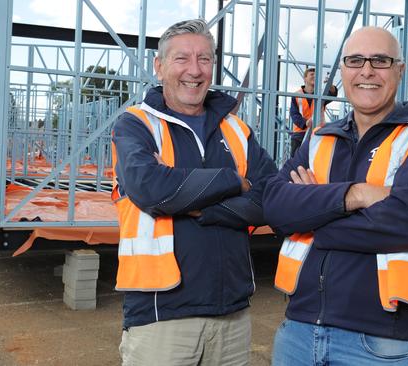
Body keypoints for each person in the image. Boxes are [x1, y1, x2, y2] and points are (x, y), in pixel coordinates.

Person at [263, 26, 408, 365]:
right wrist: (355, 196)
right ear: (342, 71)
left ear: (399, 71)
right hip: (298, 331)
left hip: (380, 341)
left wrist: (312, 220)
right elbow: (274, 206)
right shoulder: (319, 139)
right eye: (355, 60)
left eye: (380, 60)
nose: (366, 71)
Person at [111, 19, 277, 365]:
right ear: (159, 67)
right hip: (161, 315)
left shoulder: (236, 129)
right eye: (182, 59)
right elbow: (152, 189)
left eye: (204, 59)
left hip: (231, 314)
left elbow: (270, 197)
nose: (195, 70)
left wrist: (204, 208)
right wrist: (235, 182)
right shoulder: (137, 124)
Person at [289, 67, 338, 156]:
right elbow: (294, 114)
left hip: (318, 132)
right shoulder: (296, 95)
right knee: (296, 162)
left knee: (316, 161)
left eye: (316, 75)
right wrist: (305, 123)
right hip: (300, 134)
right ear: (305, 78)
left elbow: (333, 95)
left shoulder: (321, 94)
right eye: (311, 74)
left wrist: (330, 86)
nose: (314, 76)